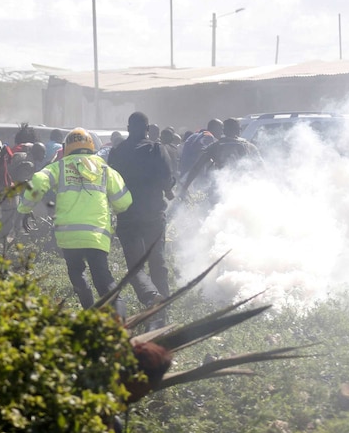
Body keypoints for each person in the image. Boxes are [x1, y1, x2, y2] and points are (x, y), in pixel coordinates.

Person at [19, 128, 132, 317]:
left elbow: (38, 180)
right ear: (91, 146)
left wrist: (24, 208)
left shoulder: (60, 166)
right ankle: (120, 321)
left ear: (67, 147)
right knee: (103, 279)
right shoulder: (105, 169)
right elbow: (124, 201)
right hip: (97, 235)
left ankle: (89, 314)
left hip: (69, 235)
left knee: (77, 274)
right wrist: (116, 209)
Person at [108, 112, 175, 310]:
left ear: (128, 128)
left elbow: (111, 183)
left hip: (127, 215)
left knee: (135, 265)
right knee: (157, 260)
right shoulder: (156, 149)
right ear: (147, 129)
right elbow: (167, 180)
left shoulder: (117, 151)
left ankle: (150, 298)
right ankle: (163, 305)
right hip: (153, 215)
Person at [179, 117, 262, 198]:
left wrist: (185, 186)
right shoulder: (249, 146)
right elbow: (261, 166)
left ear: (224, 131)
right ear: (238, 130)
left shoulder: (215, 146)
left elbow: (197, 167)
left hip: (221, 188)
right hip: (244, 187)